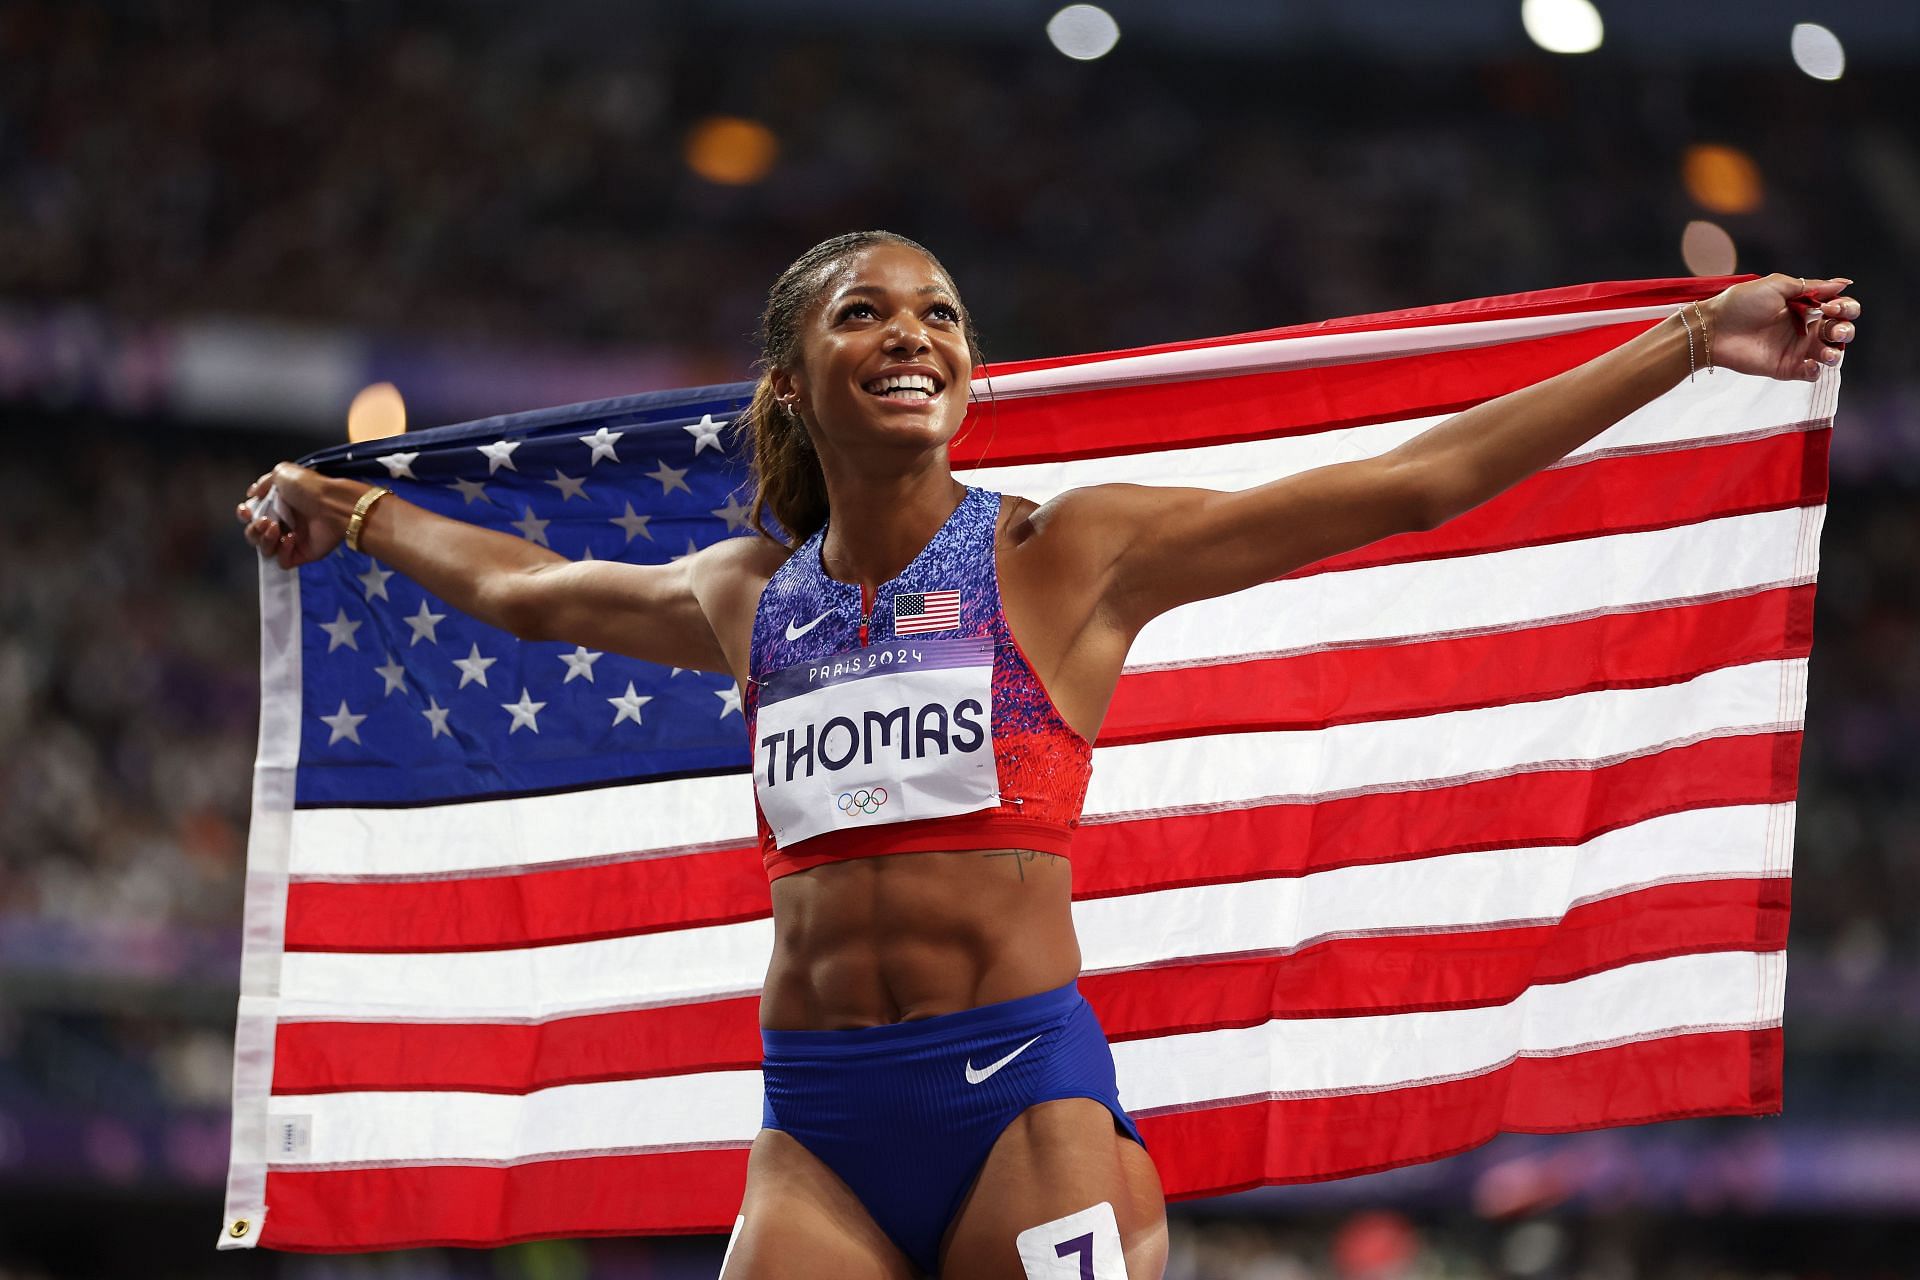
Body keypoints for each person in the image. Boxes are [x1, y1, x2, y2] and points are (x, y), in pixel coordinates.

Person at [237, 231, 1858, 1279]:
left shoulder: (1065, 558)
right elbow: (525, 589)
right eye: (864, 312)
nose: (912, 332)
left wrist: (1689, 344)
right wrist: (355, 510)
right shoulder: (747, 595)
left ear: (971, 372)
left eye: (939, 311)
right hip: (814, 1125)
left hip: (1023, 1108)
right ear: (795, 383)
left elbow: (1414, 486)